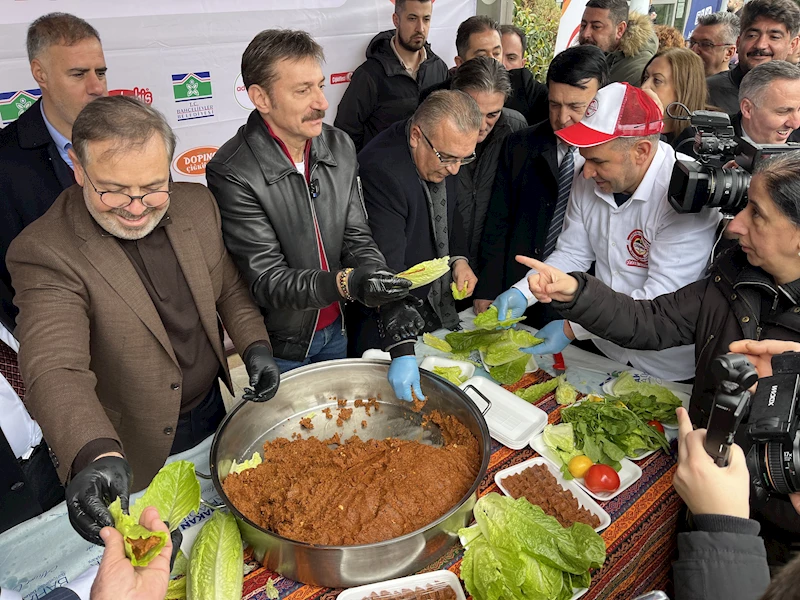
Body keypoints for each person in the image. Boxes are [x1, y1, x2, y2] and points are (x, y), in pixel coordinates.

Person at [7, 95, 281, 545]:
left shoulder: (196, 205)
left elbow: (229, 288)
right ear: (77, 166)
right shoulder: (45, 250)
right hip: (128, 441)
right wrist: (94, 453)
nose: (136, 208)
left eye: (153, 187)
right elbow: (57, 366)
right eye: (113, 190)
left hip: (214, 409)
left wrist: (255, 348)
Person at [517, 149, 800, 536]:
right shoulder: (732, 276)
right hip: (703, 483)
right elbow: (652, 320)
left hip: (778, 530)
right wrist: (576, 292)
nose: (734, 227)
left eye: (758, 215)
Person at [207, 30, 415, 373]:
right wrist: (346, 283)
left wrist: (386, 300)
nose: (322, 102)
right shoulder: (233, 171)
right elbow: (268, 280)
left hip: (338, 330)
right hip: (282, 346)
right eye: (303, 91)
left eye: (319, 85)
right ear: (261, 98)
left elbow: (357, 238)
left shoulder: (339, 145)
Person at [492, 82, 720, 382]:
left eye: (598, 161)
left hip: (665, 363)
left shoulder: (687, 193)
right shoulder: (588, 174)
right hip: (602, 346)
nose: (586, 172)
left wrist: (573, 327)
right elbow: (573, 252)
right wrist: (523, 291)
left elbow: (658, 304)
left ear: (641, 151)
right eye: (584, 157)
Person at [0, 11, 108, 534]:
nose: (96, 86)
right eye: (79, 74)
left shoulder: (123, 141)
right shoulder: (4, 163)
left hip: (140, 353)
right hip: (61, 359)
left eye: (101, 72)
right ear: (39, 74)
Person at [351, 90, 480, 401]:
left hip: (428, 307)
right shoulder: (381, 169)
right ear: (415, 136)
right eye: (448, 158)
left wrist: (458, 260)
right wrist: (401, 347)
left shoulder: (443, 151)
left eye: (464, 158)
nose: (454, 170)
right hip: (385, 317)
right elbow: (386, 268)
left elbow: (453, 214)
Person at [472, 45, 609, 324]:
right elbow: (499, 220)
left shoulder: (614, 157)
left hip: (583, 301)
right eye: (554, 104)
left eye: (576, 107)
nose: (562, 118)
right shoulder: (520, 145)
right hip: (519, 283)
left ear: (600, 101)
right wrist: (488, 286)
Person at [333, 0, 448, 152]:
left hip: (427, 171)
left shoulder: (439, 69)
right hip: (380, 172)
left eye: (426, 19)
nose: (420, 28)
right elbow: (345, 132)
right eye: (412, 18)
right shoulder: (370, 74)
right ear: (396, 20)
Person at [450, 57, 526, 269]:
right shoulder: (435, 128)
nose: (482, 125)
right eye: (473, 111)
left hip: (490, 264)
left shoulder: (516, 129)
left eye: (493, 114)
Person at [419, 16, 549, 125]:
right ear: (460, 62)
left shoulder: (524, 85)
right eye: (482, 56)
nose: (492, 61)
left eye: (497, 53)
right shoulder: (434, 99)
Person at [706, 0, 800, 115]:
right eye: (752, 36)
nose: (760, 45)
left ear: (792, 45)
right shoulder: (704, 93)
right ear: (738, 42)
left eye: (774, 37)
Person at [641, 48, 708, 150]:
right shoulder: (630, 126)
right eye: (646, 77)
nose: (644, 87)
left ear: (682, 89)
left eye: (657, 80)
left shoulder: (693, 144)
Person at [579, 0, 659, 85]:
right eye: (583, 25)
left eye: (596, 27)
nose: (585, 34)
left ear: (620, 29)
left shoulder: (638, 72)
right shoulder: (596, 51)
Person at [734, 60, 800, 144]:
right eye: (783, 111)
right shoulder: (715, 142)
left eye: (799, 110)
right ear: (747, 109)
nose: (795, 124)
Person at [687, 11, 740, 77]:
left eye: (705, 44)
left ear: (729, 53)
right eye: (692, 42)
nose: (694, 51)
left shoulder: (741, 86)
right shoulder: (677, 81)